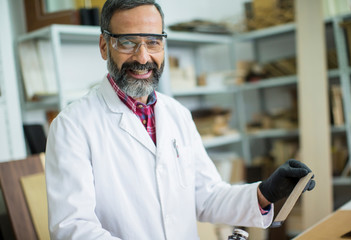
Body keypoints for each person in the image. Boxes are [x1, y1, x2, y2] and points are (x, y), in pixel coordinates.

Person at [45, 0, 315, 239]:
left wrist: (266, 192)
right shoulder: (72, 126)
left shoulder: (177, 114)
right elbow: (73, 227)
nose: (143, 57)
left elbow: (206, 196)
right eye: (128, 42)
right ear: (105, 46)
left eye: (153, 42)